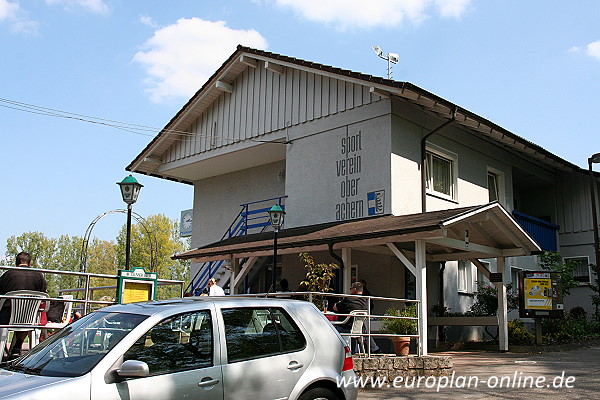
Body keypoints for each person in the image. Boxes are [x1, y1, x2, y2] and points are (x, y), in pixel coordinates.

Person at [0, 252, 48, 359]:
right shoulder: (39, 276)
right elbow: (44, 295)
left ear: (16, 262)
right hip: (29, 317)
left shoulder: (8, 275)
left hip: (7, 317)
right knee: (26, 315)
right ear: (30, 263)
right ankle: (17, 346)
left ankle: (5, 348)